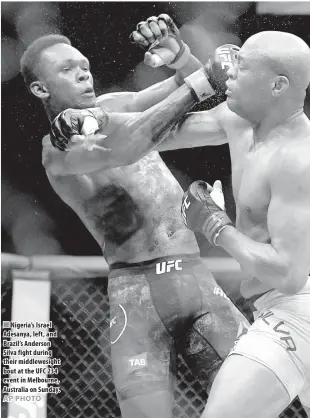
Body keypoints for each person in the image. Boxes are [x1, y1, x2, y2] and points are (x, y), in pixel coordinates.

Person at [20, 15, 249, 418]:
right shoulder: (56, 153)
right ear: (40, 87)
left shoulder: (113, 108)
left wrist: (179, 55)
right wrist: (200, 81)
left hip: (196, 278)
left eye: (86, 68)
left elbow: (192, 88)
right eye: (67, 70)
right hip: (136, 292)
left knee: (252, 400)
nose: (83, 76)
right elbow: (128, 147)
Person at [164, 31, 310, 418]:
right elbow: (159, 133)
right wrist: (184, 69)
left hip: (297, 318)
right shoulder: (245, 126)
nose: (231, 70)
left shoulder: (300, 155)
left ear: (277, 85)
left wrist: (214, 225)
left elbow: (288, 274)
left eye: (245, 65)